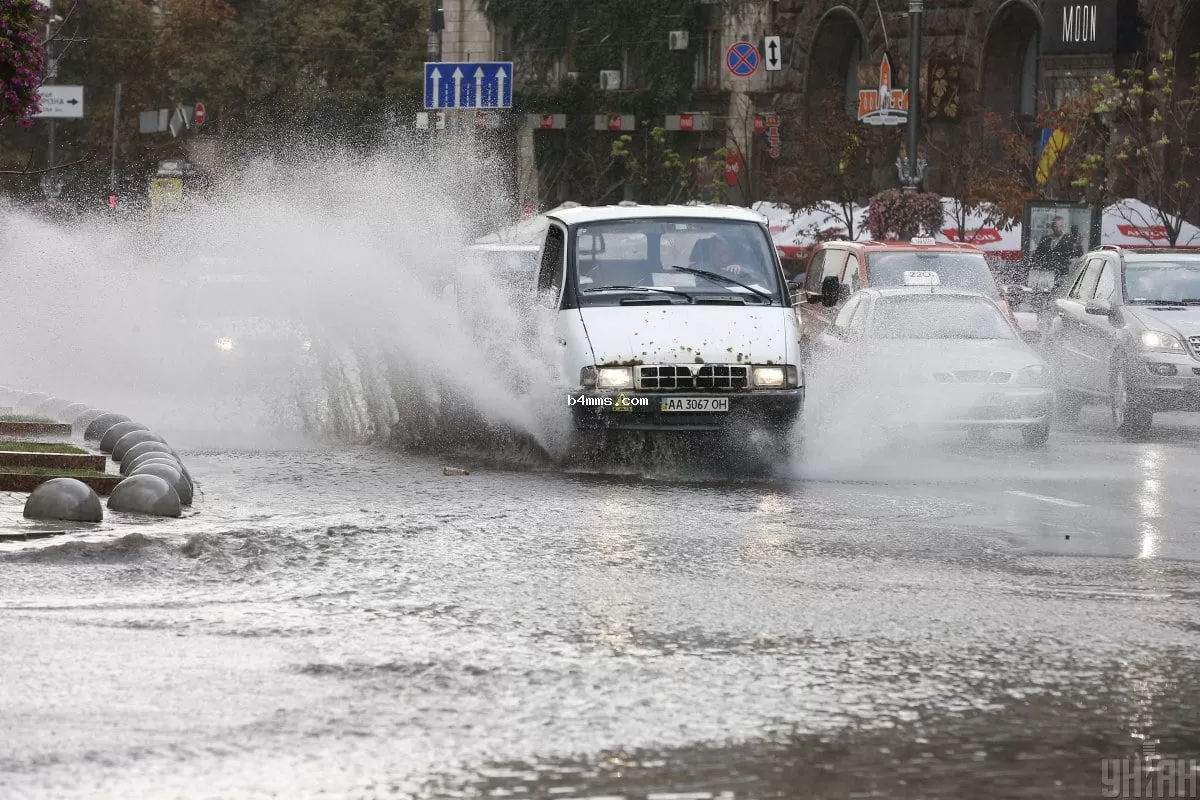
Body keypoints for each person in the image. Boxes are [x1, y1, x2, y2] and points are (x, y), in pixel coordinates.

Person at [1028, 215, 1082, 287]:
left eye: (1061, 226)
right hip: (1047, 273)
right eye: (1055, 227)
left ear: (1064, 226)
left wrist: (1078, 245)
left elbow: (1078, 254)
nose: (1058, 229)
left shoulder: (1069, 239)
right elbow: (1037, 254)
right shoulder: (1046, 239)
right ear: (1052, 227)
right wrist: (1032, 266)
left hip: (1062, 273)